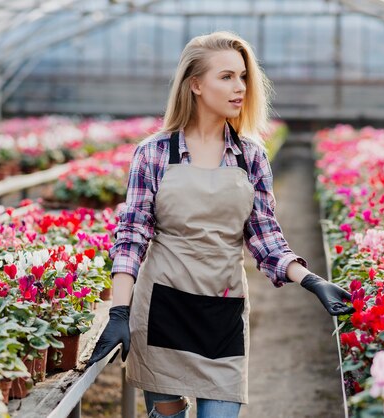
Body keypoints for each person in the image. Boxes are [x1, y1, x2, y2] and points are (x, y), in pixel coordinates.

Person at [86, 31, 354, 418]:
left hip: (222, 311)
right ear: (195, 84)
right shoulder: (154, 153)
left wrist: (310, 280)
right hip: (163, 308)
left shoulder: (250, 156)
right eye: (226, 76)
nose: (240, 87)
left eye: (243, 77)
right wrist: (119, 314)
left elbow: (265, 238)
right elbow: (131, 237)